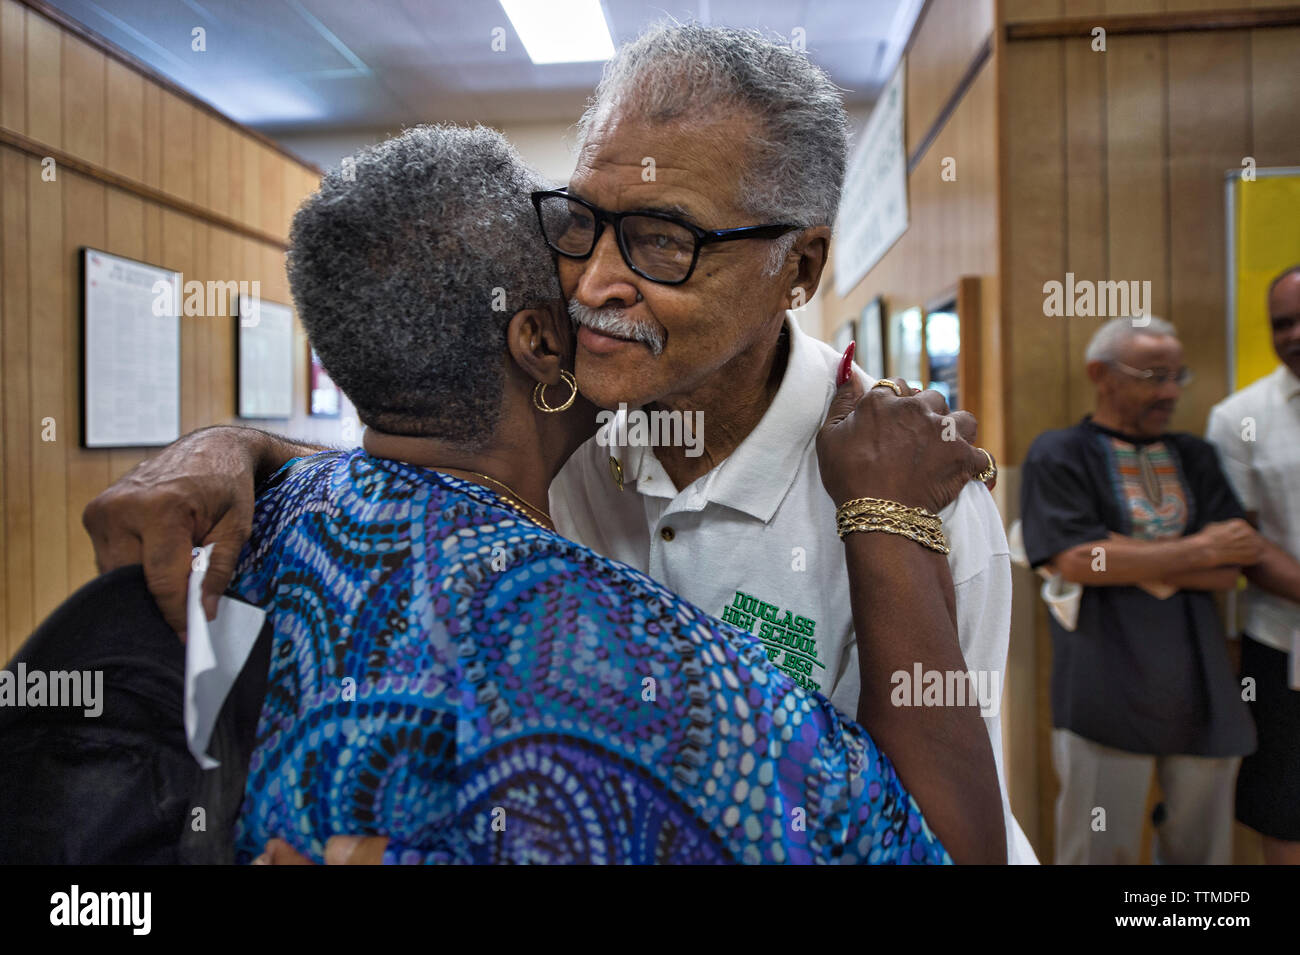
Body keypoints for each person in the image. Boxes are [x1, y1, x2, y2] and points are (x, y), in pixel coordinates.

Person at [82, 23, 1032, 862]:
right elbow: (422, 470)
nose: (595, 282)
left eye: (664, 240)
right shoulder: (565, 421)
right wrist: (228, 444)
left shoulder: (921, 505)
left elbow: (948, 833)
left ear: (802, 266)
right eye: (581, 223)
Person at [1020, 316, 1259, 865]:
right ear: (1100, 374)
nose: (1171, 392)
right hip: (1104, 681)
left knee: (1202, 859)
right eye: (1153, 375)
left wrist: (1122, 555)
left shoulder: (1194, 455)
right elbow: (1075, 559)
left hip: (1202, 681)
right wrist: (1199, 549)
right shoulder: (1059, 453)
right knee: (1102, 846)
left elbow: (1234, 569)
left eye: (1178, 376)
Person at [1206, 264, 1300, 865]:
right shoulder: (1240, 417)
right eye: (1281, 323)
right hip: (1281, 641)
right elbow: (1240, 541)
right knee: (1285, 808)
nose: (1292, 334)